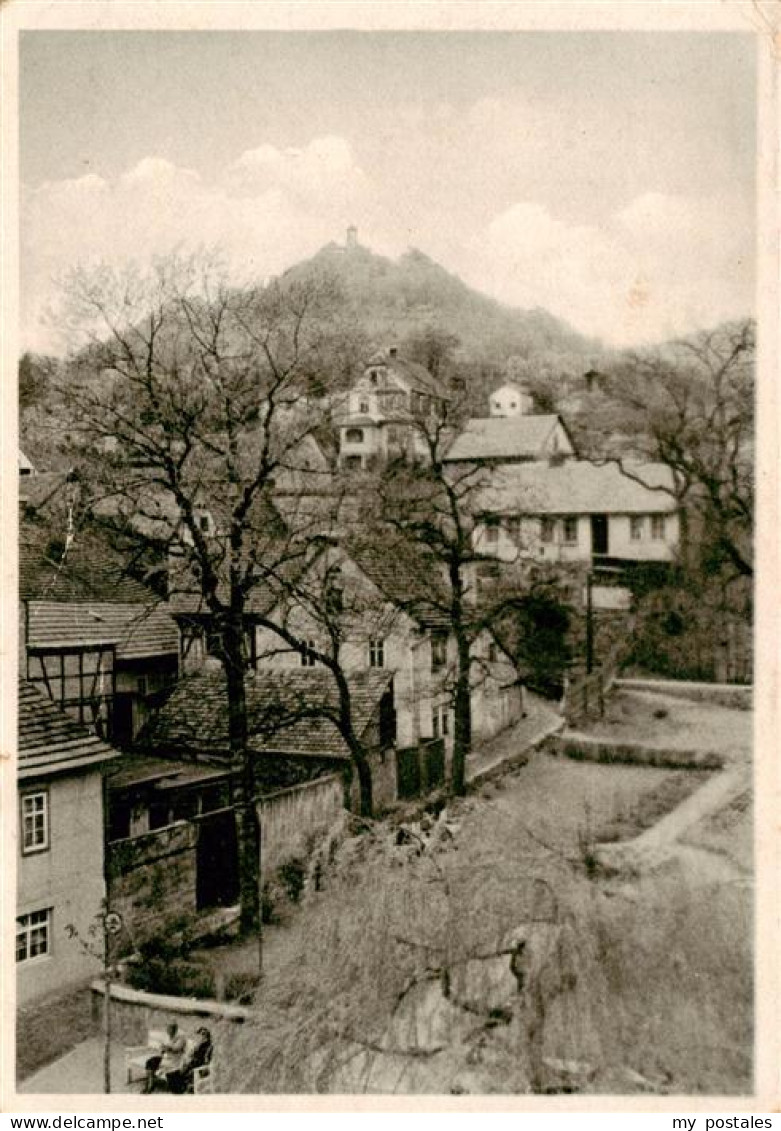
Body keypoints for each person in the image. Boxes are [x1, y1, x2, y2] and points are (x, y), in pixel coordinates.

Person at [167, 1027, 213, 1094]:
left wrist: (192, 1062)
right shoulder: (199, 1045)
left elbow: (206, 1060)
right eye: (200, 1034)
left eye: (203, 1034)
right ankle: (178, 1091)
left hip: (197, 1067)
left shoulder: (208, 1046)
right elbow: (191, 1054)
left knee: (174, 1076)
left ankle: (179, 1092)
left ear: (206, 1036)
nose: (201, 1036)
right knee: (171, 1075)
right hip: (190, 1065)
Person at [144, 1022, 186, 1093]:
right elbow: (162, 1047)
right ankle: (150, 1084)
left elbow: (176, 1049)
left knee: (171, 1075)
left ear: (175, 1030)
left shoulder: (181, 1038)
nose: (168, 1031)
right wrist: (163, 1048)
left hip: (174, 1060)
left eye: (169, 1029)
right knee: (150, 1062)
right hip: (164, 1057)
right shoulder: (167, 1036)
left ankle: (170, 1085)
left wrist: (166, 1047)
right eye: (167, 1029)